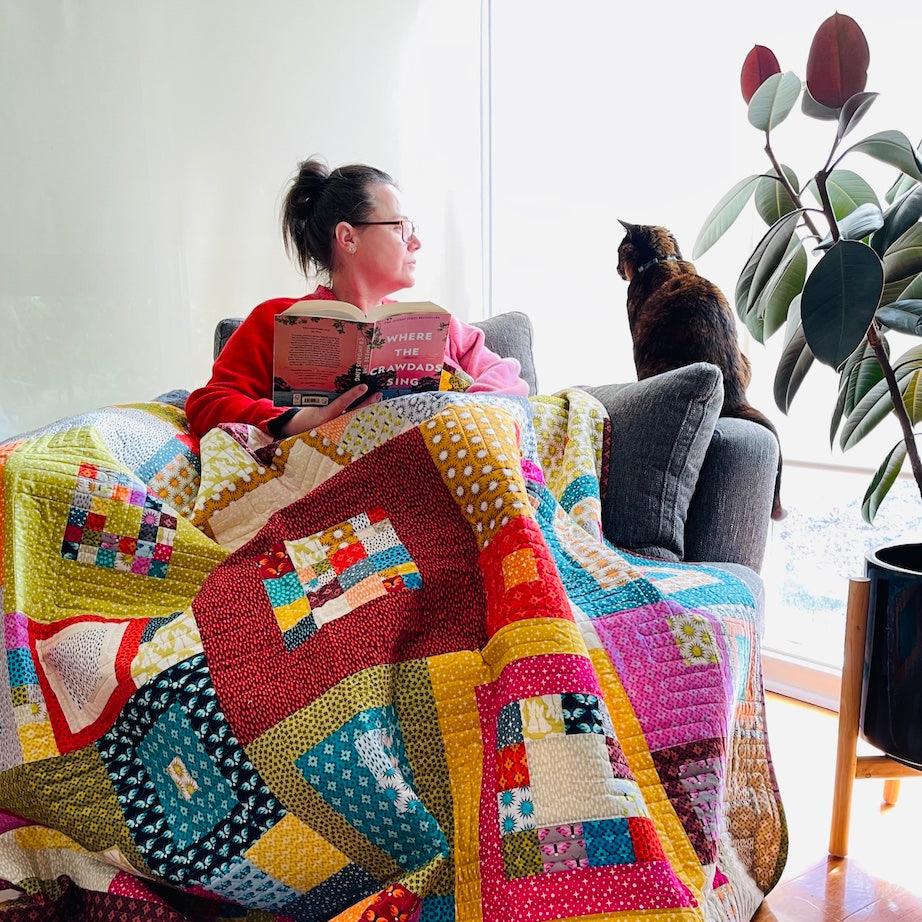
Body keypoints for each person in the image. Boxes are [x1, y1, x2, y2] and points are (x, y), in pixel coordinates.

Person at [185, 161, 529, 440]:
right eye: (400, 227)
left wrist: (458, 416)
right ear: (348, 238)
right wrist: (296, 420)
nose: (416, 242)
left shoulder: (434, 325)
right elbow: (207, 404)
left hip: (448, 456)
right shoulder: (277, 319)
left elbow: (506, 374)